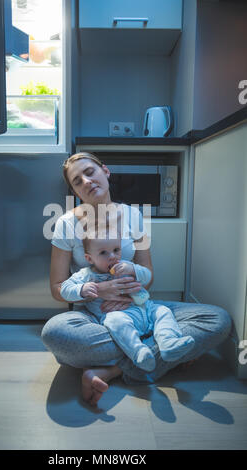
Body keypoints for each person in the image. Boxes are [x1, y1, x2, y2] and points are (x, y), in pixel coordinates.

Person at [41, 152, 232, 407]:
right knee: (55, 333)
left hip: (140, 307)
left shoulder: (135, 216)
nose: (86, 181)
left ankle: (111, 370)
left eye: (90, 172)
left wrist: (129, 287)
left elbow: (148, 275)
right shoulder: (66, 223)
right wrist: (100, 290)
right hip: (96, 314)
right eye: (77, 181)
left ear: (105, 171)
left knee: (217, 319)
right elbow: (57, 288)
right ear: (75, 190)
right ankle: (163, 349)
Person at [60, 232, 195, 372]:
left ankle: (168, 343)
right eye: (103, 253)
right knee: (115, 321)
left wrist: (134, 269)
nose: (112, 256)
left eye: (116, 250)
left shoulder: (126, 266)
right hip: (117, 315)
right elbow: (64, 289)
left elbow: (147, 277)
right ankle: (139, 352)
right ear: (89, 258)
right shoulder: (86, 275)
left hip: (145, 310)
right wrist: (82, 289)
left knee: (163, 311)